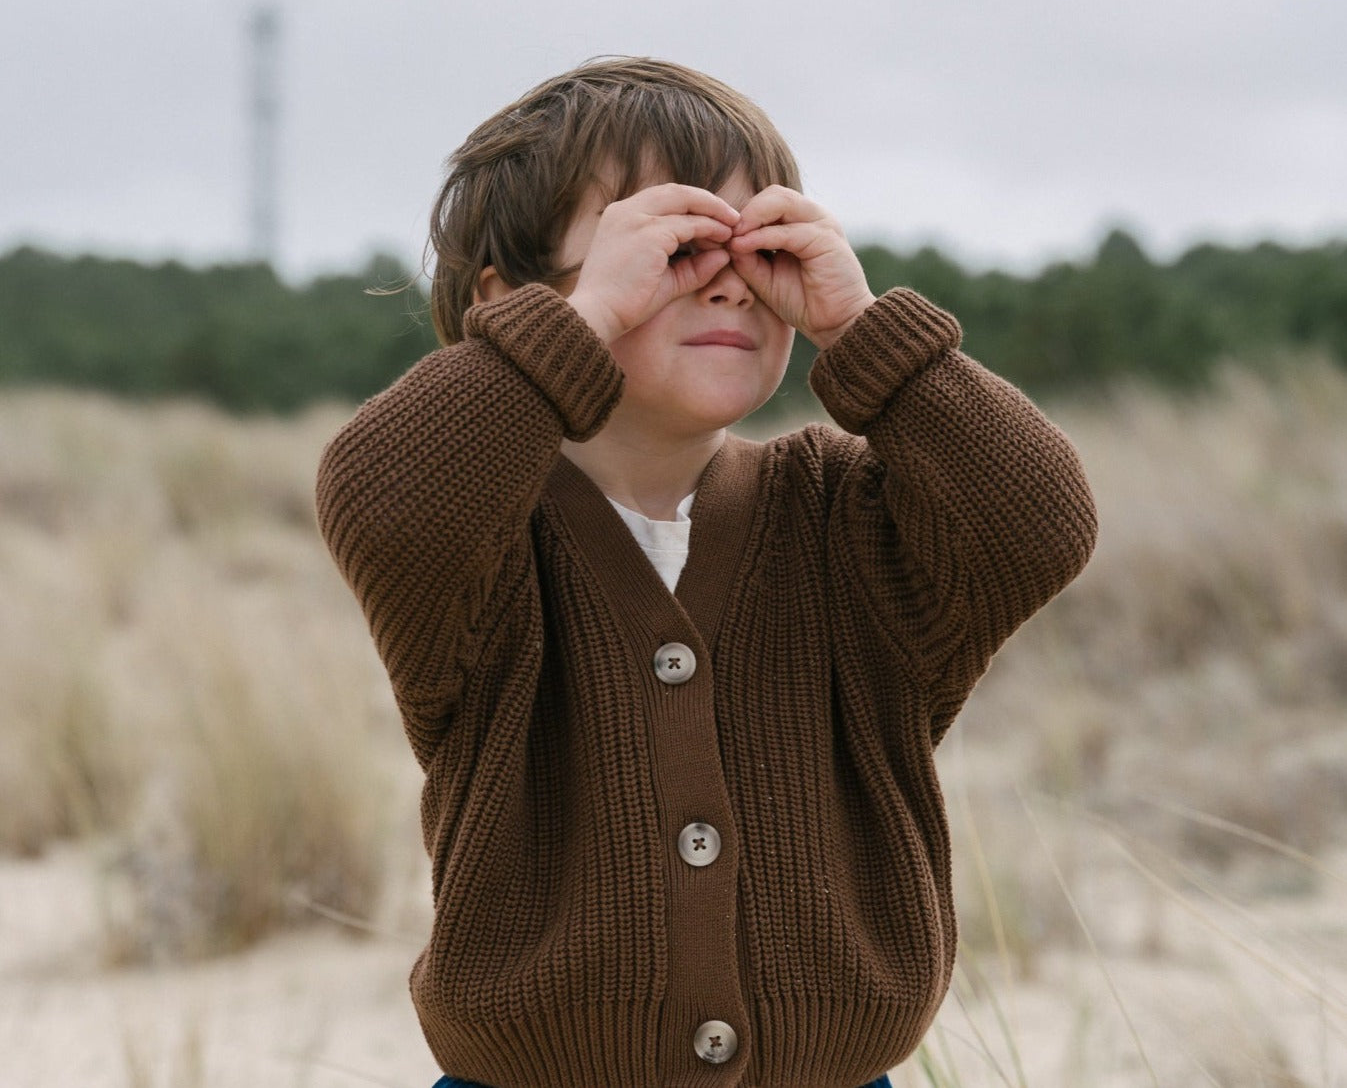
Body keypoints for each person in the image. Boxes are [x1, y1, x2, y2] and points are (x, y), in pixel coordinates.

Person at [315, 57, 1098, 1088]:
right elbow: (383, 503)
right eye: (671, 246)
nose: (729, 275)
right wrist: (577, 331)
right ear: (512, 307)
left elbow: (1038, 525)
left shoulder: (839, 515)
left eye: (758, 241)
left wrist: (862, 332)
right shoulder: (484, 544)